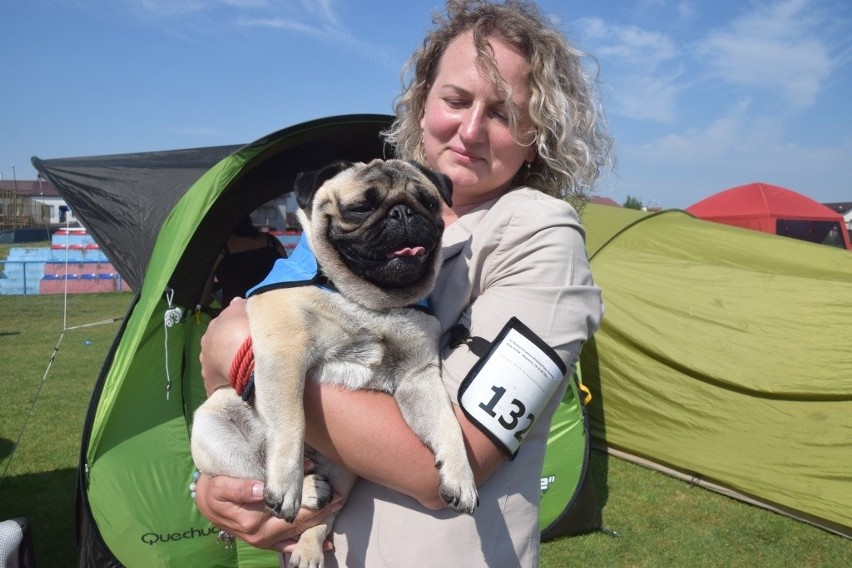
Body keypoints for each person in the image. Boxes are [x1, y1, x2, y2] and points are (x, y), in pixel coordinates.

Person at [195, 0, 612, 565]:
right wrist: (225, 485)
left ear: (540, 133)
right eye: (456, 100)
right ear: (421, 105)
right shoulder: (358, 220)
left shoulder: (542, 239)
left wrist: (245, 352)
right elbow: (256, 365)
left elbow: (442, 464)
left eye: (505, 113)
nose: (470, 130)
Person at [200, 215, 288, 309]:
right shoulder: (272, 242)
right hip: (272, 308)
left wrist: (200, 305)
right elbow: (288, 273)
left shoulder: (222, 249)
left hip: (235, 312)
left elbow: (204, 296)